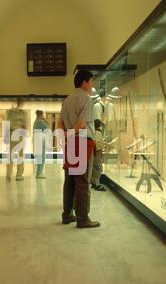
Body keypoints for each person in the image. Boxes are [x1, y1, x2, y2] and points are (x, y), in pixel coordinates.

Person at [58, 70, 101, 229]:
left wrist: (67, 137)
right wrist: (72, 134)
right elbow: (82, 124)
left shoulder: (67, 100)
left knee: (69, 181)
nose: (92, 84)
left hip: (70, 143)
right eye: (91, 81)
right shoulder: (86, 99)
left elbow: (60, 124)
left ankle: (67, 215)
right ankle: (83, 218)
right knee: (83, 182)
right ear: (84, 82)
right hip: (82, 142)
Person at [6, 103, 27, 181]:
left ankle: (9, 173)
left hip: (13, 134)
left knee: (12, 155)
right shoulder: (22, 113)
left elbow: (7, 123)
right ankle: (18, 175)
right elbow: (25, 125)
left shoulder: (10, 112)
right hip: (18, 134)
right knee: (20, 155)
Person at [91, 119, 110, 191]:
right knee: (98, 167)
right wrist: (102, 146)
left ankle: (94, 182)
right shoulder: (98, 132)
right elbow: (96, 143)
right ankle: (97, 184)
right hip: (97, 152)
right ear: (99, 125)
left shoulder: (94, 132)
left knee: (94, 167)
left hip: (94, 152)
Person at [33, 110, 50, 179]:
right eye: (42, 115)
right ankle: (38, 173)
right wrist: (45, 119)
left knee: (40, 157)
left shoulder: (36, 121)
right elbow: (47, 127)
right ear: (40, 115)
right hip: (39, 140)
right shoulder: (39, 122)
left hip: (38, 139)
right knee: (41, 157)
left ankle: (39, 172)